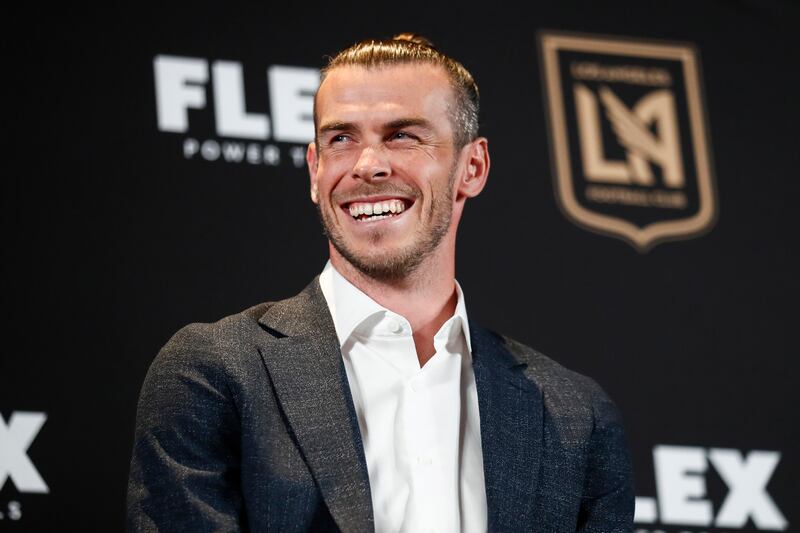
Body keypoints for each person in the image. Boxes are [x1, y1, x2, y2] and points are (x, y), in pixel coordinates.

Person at [127, 33, 634, 532]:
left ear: (472, 167)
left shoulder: (575, 415)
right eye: (341, 138)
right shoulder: (214, 374)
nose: (367, 166)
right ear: (314, 169)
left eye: (402, 135)